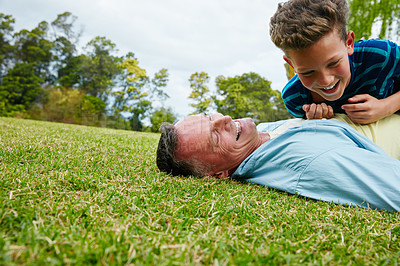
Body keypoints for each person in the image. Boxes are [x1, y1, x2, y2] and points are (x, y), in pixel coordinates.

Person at [156, 113, 400, 212]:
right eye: (215, 136)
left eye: (211, 117)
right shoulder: (307, 162)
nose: (226, 119)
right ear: (218, 174)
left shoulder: (261, 135)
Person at [269, 0, 400, 124]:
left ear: (349, 43)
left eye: (333, 63)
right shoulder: (296, 99)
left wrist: (386, 107)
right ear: (292, 65)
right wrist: (316, 122)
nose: (326, 81)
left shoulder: (381, 55)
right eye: (308, 72)